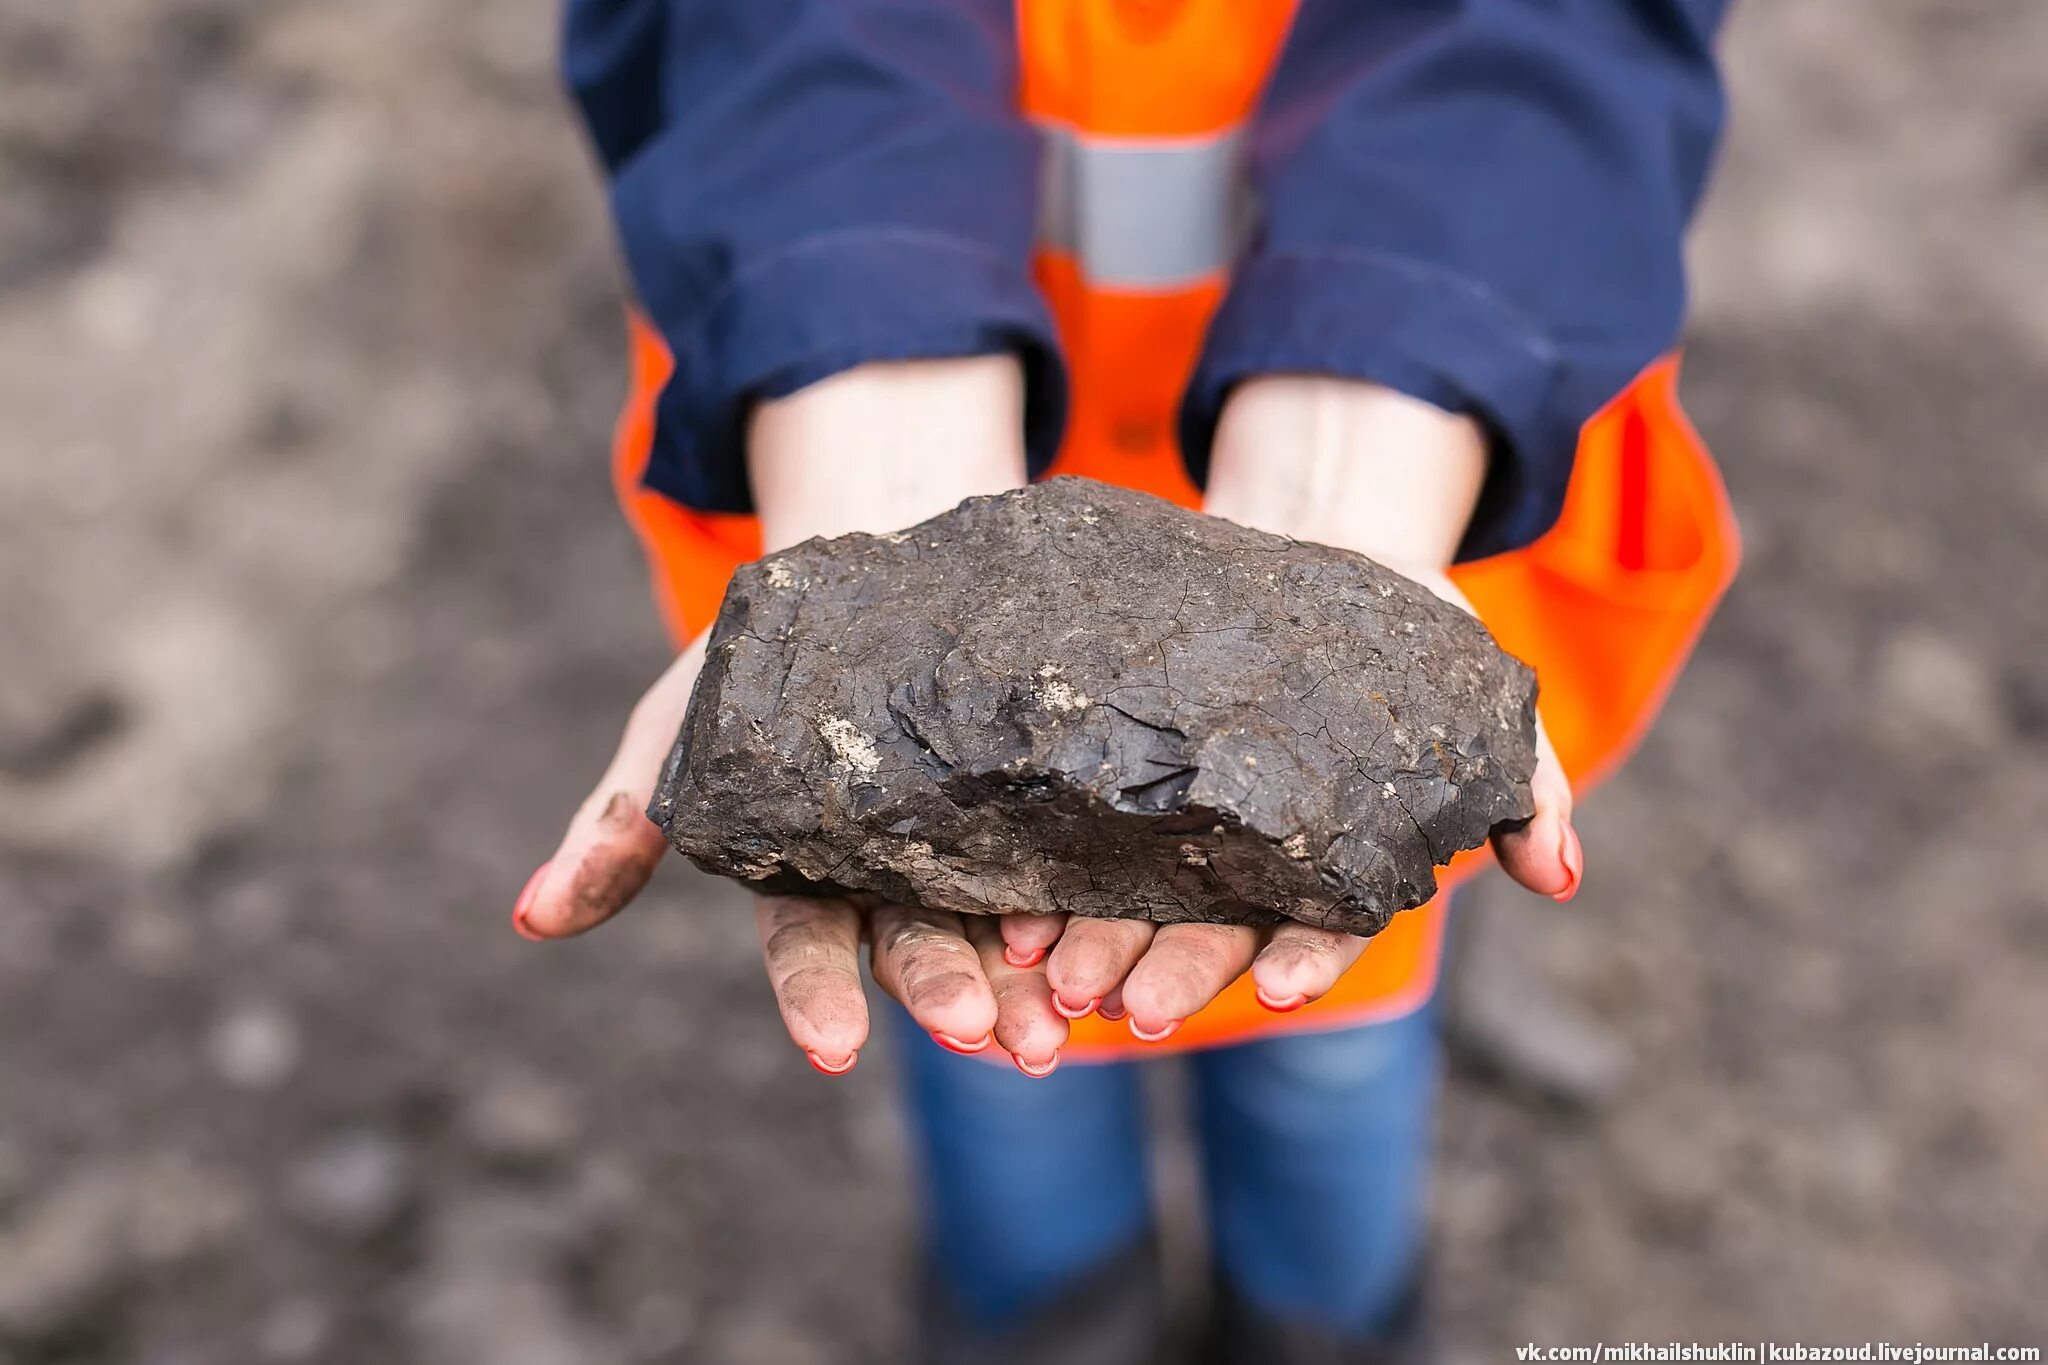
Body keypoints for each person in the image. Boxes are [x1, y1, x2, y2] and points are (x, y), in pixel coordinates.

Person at [515, 1, 1739, 1360]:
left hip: (1413, 459)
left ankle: (1320, 1325)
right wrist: (864, 366)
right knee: (1009, 1079)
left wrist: (1391, 384)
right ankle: (1058, 1321)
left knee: (1330, 1041)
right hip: (862, 412)